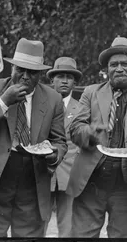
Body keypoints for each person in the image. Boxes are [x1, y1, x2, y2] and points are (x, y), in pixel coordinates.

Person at [67, 36, 127, 238]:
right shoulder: (91, 93)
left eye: (125, 64)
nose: (119, 69)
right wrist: (89, 133)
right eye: (114, 64)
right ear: (107, 69)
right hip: (91, 183)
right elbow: (75, 128)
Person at [0, 38, 67, 237]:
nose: (25, 77)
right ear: (12, 67)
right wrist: (4, 101)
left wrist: (55, 154)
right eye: (20, 69)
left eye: (32, 73)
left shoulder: (53, 99)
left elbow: (60, 141)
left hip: (33, 180)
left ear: (40, 74)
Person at [45, 57, 82, 237]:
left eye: (69, 77)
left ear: (75, 82)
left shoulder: (82, 109)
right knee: (37, 224)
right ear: (52, 80)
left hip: (69, 176)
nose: (65, 80)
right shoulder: (41, 106)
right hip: (43, 174)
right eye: (60, 76)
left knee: (67, 229)